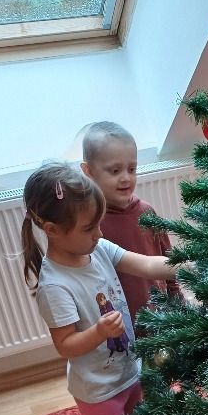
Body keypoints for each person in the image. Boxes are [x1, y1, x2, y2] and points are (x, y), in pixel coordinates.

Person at [22, 162, 186, 415]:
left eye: (98, 225)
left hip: (129, 371)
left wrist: (187, 259)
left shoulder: (96, 250)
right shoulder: (55, 285)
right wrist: (97, 332)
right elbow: (66, 345)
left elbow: (144, 264)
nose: (99, 233)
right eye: (89, 228)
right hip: (98, 391)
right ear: (53, 230)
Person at [81, 121, 182, 328]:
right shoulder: (89, 224)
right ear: (88, 171)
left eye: (132, 169)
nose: (126, 178)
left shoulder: (146, 212)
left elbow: (168, 259)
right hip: (119, 327)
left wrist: (177, 300)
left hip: (160, 319)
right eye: (115, 171)